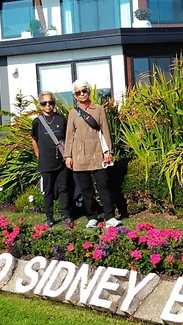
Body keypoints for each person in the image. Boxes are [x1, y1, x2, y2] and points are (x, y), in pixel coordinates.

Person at [64, 79, 121, 228]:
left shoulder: (99, 109)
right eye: (78, 92)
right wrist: (68, 156)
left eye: (84, 91)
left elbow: (105, 131)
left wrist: (108, 151)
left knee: (104, 185)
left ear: (88, 91)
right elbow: (69, 136)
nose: (82, 94)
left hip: (98, 153)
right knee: (85, 189)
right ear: (75, 95)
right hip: (79, 156)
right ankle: (92, 217)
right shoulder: (73, 113)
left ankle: (110, 217)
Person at [31, 92, 72, 228]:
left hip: (61, 161)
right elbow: (34, 140)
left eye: (50, 102)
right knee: (48, 191)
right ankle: (49, 217)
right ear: (40, 105)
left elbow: (68, 138)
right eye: (44, 103)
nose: (48, 105)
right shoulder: (37, 122)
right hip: (46, 162)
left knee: (63, 188)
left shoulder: (61, 119)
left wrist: (68, 156)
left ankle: (65, 215)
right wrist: (39, 156)